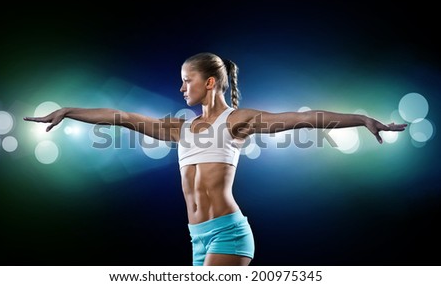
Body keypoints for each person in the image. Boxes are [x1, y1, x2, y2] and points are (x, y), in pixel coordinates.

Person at [24, 52, 407, 266]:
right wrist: (69, 110)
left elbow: (302, 118)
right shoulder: (180, 129)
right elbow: (120, 117)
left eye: (186, 80)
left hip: (228, 233)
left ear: (209, 82)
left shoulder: (236, 121)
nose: (180, 87)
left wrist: (361, 120)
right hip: (197, 239)